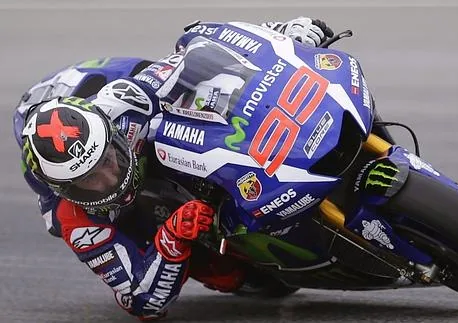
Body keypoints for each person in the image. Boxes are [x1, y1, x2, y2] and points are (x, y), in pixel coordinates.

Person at [13, 17, 334, 321]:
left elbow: (203, 51)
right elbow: (144, 302)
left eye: (108, 162)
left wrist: (282, 35)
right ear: (66, 190)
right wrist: (171, 237)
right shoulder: (73, 216)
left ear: (112, 135)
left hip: (106, 79)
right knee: (235, 277)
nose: (111, 181)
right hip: (64, 124)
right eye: (90, 181)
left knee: (211, 95)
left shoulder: (127, 103)